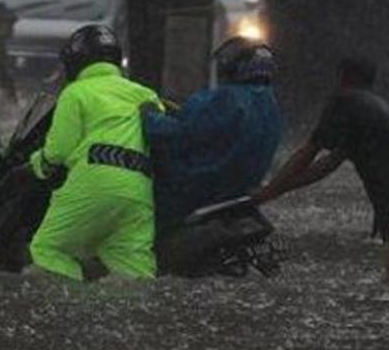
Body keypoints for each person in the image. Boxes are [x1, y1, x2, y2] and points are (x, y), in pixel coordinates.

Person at [254, 57, 389, 284]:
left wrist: (268, 191)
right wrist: (279, 190)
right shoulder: (373, 108)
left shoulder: (343, 101)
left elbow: (307, 153)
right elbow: (327, 165)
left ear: (341, 77)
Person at [27, 25, 164, 281]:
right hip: (137, 192)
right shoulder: (146, 94)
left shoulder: (75, 93)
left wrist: (38, 163)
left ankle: (75, 300)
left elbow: (58, 151)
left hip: (92, 186)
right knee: (135, 273)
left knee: (46, 250)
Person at [143, 36, 283, 225]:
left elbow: (179, 134)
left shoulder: (226, 99)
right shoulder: (270, 104)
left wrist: (149, 116)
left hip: (197, 188)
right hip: (237, 189)